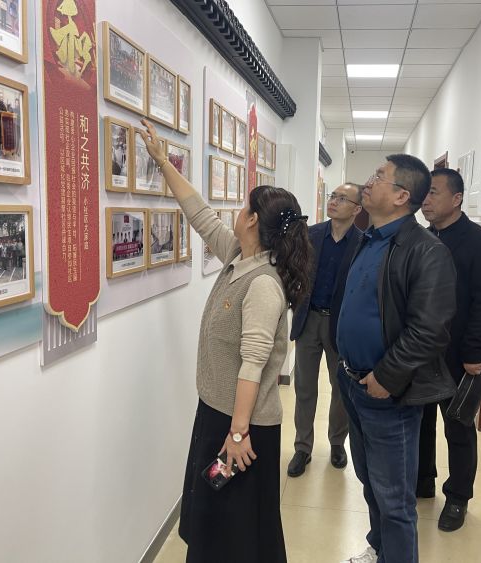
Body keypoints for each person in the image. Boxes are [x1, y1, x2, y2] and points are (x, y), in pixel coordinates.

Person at [140, 118, 311, 563]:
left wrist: (237, 432)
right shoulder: (239, 255)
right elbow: (201, 216)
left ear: (252, 220)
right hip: (218, 412)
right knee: (215, 529)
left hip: (242, 426)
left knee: (236, 539)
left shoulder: (262, 284)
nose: (235, 211)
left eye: (243, 206)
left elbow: (252, 365)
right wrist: (163, 161)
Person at [337, 155, 457, 563]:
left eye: (379, 176)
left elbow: (430, 330)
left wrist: (386, 377)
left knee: (395, 500)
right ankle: (380, 550)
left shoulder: (426, 251)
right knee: (370, 483)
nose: (369, 182)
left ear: (402, 196)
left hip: (387, 394)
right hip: (352, 383)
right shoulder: (369, 239)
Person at [417, 168, 481, 531]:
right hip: (419, 350)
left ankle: (457, 497)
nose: (426, 200)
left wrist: (474, 350)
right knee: (419, 421)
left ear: (457, 199)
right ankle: (422, 481)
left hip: (457, 353)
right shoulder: (420, 238)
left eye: (433, 193)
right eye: (424, 192)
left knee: (458, 426)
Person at [287, 183, 363, 477]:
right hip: (309, 319)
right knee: (304, 387)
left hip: (340, 325)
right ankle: (302, 447)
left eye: (342, 199)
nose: (334, 201)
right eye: (333, 196)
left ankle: (337, 443)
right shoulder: (311, 234)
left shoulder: (363, 242)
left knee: (341, 388)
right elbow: (293, 268)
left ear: (357, 209)